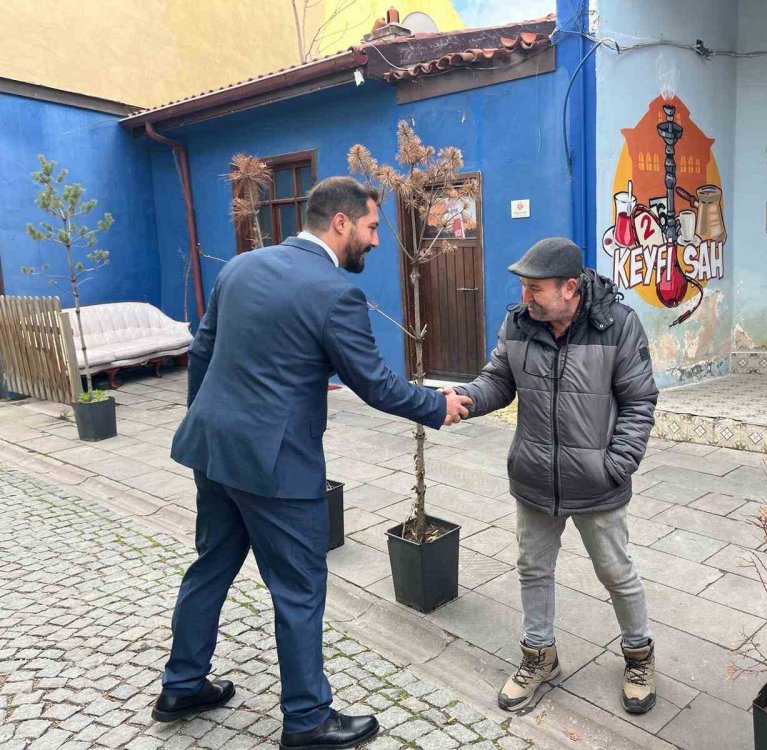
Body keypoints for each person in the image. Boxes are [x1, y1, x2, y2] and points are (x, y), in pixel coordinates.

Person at [153, 176, 472, 750]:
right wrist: (437, 404)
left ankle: (181, 685)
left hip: (213, 451)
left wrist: (211, 421)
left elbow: (202, 352)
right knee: (299, 590)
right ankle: (306, 719)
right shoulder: (334, 292)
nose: (377, 241)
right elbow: (373, 384)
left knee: (210, 567)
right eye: (373, 227)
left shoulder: (240, 268)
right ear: (342, 222)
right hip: (277, 468)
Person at [451, 237, 659, 715]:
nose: (525, 297)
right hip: (534, 476)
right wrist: (464, 400)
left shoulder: (619, 326)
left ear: (570, 288)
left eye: (535, 288)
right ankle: (540, 656)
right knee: (532, 568)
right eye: (523, 287)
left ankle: (639, 655)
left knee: (615, 571)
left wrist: (617, 464)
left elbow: (639, 400)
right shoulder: (520, 324)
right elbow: (498, 380)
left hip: (597, 482)